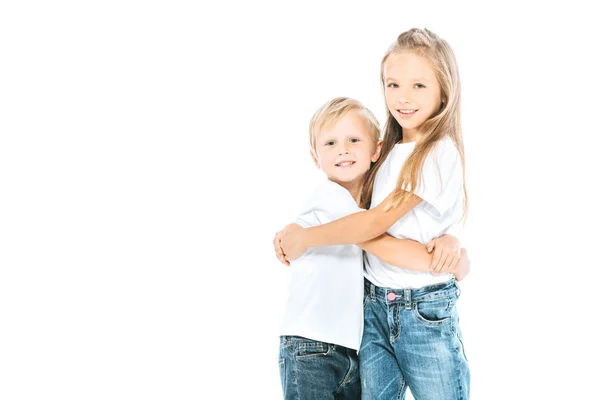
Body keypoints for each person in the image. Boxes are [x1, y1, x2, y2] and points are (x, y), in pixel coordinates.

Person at [276, 28, 470, 399]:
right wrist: (302, 228)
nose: (403, 97)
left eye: (418, 86)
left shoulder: (436, 152)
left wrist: (308, 236)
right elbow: (361, 216)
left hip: (422, 307)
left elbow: (372, 223)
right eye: (393, 85)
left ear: (444, 91)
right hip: (374, 308)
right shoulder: (390, 153)